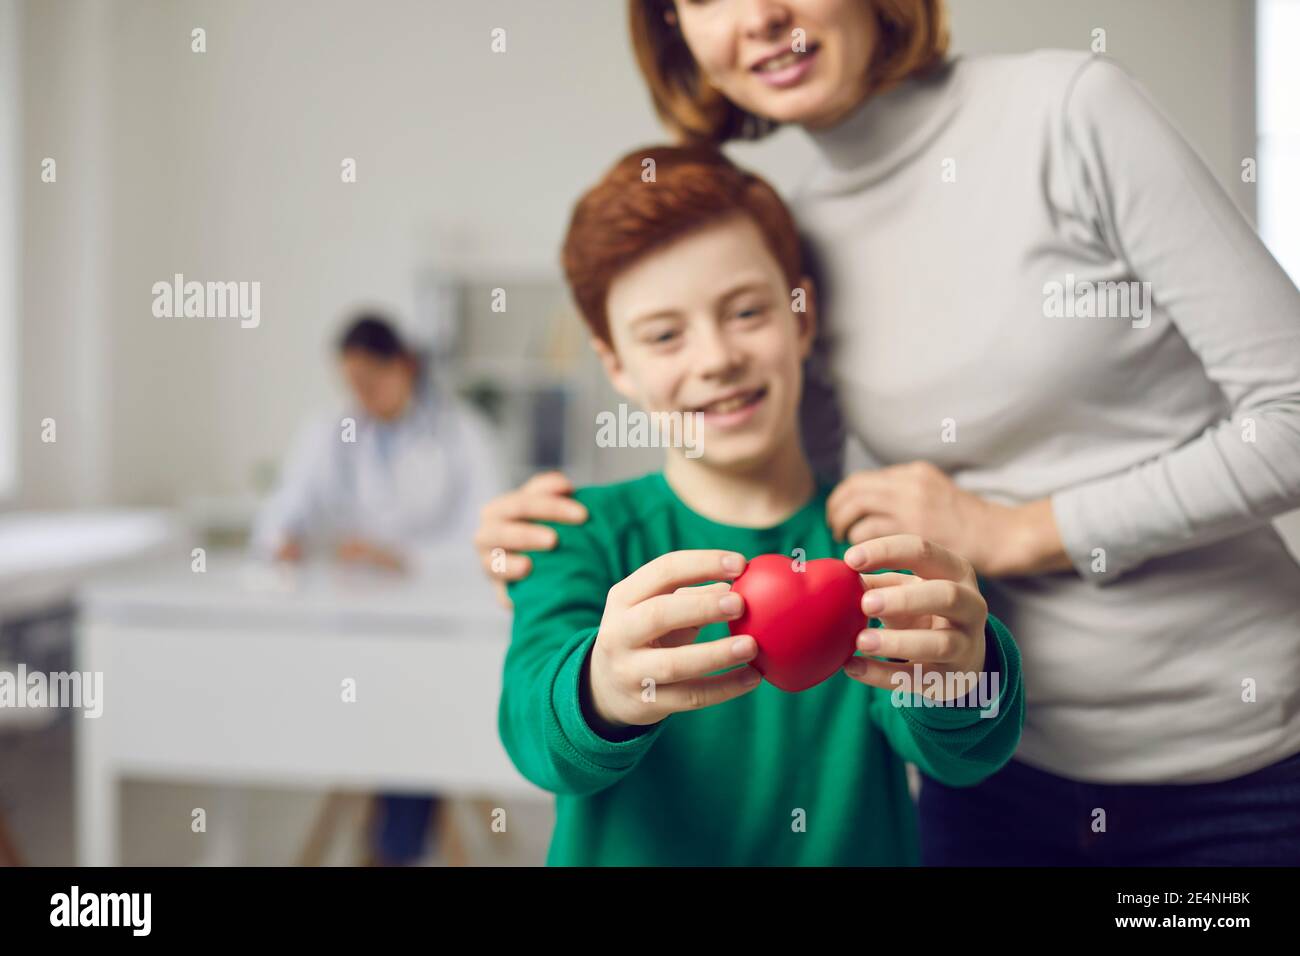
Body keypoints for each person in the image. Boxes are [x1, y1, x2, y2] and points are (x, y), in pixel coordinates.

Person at [479, 0, 1300, 864]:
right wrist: (543, 586)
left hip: (1228, 758)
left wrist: (1010, 542)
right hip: (1003, 795)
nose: (760, 16)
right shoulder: (805, 231)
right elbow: (766, 497)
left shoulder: (1070, 114)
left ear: (798, 318)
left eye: (748, 312)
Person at [499, 144, 1024, 865]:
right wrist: (601, 688)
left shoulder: (886, 542)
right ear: (617, 365)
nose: (716, 357)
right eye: (664, 334)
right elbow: (534, 736)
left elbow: (963, 756)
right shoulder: (575, 536)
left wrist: (965, 672)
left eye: (746, 311)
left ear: (802, 320)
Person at [254, 312, 502, 865]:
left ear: (406, 366)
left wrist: (404, 560)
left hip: (441, 626)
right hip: (351, 626)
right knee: (382, 713)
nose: (361, 396)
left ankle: (397, 847)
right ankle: (398, 838)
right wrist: (283, 538)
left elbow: (489, 538)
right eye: (352, 384)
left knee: (409, 714)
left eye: (372, 381)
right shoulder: (331, 431)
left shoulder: (464, 433)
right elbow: (283, 509)